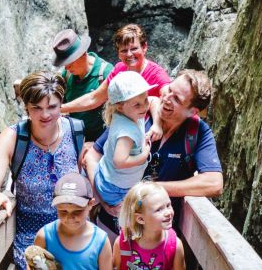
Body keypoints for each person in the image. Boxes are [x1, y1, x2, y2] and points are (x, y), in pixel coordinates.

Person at [86, 69, 223, 235]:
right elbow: (93, 156)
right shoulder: (137, 114)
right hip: (111, 226)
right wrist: (102, 197)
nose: (166, 98)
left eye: (177, 99)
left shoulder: (197, 133)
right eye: (170, 90)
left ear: (192, 111)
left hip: (155, 240)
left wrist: (148, 189)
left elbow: (214, 183)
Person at [0, 71, 81, 270]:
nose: (45, 114)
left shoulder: (75, 131)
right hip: (31, 243)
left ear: (61, 104)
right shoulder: (13, 137)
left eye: (52, 107)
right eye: (36, 108)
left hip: (73, 235)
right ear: (26, 107)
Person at [61, 24, 171, 116]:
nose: (129, 54)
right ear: (118, 53)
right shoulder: (119, 69)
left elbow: (170, 101)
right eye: (124, 50)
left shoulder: (157, 75)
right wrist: (59, 109)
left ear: (144, 47)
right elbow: (94, 98)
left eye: (134, 48)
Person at [94, 72, 161, 207]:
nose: (144, 107)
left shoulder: (129, 113)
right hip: (116, 188)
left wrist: (156, 125)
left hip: (108, 174)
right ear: (119, 105)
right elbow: (119, 161)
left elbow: (153, 99)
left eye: (145, 100)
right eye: (137, 105)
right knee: (126, 219)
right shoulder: (126, 132)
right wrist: (144, 156)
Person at [32, 173, 112, 270]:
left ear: (91, 204)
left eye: (77, 211)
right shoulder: (44, 237)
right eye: (63, 211)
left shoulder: (101, 241)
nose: (70, 218)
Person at [52, 29, 113, 141]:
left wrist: (97, 145)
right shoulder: (67, 75)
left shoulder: (105, 73)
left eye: (69, 62)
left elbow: (95, 100)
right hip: (75, 138)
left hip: (100, 141)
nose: (66, 68)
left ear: (83, 54)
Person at [113, 182, 185, 270]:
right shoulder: (122, 243)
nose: (168, 212)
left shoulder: (175, 246)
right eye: (159, 209)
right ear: (140, 219)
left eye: (168, 205)